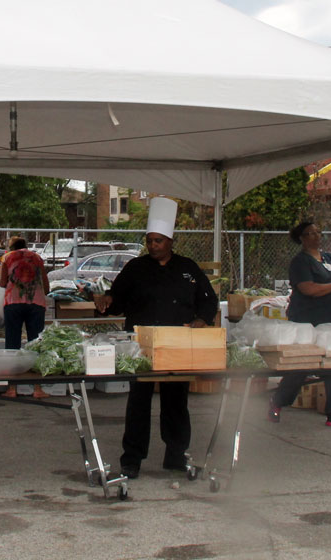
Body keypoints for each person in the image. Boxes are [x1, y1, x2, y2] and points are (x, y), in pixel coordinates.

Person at [93, 197, 218, 479]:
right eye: (149, 241)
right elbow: (117, 300)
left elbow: (208, 301)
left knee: (176, 402)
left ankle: (175, 456)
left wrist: (202, 320)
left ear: (171, 241)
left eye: (158, 241)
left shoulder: (188, 269)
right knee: (138, 402)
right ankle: (132, 459)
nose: (152, 246)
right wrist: (105, 302)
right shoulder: (135, 269)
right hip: (142, 347)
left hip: (177, 345)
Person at [268, 220, 331, 427]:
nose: (316, 236)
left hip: (329, 319)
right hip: (306, 320)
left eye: (318, 232)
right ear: (301, 238)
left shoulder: (327, 258)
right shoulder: (300, 262)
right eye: (311, 233)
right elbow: (309, 289)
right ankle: (277, 401)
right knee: (301, 367)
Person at [0, 236, 48, 398]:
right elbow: (46, 285)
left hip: (13, 302)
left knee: (12, 343)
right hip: (36, 303)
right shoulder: (37, 258)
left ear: (12, 247)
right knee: (35, 344)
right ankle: (38, 388)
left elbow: (1, 282)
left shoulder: (8, 258)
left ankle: (12, 389)